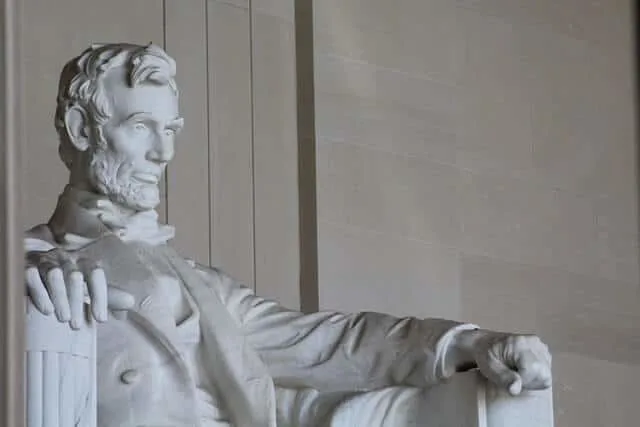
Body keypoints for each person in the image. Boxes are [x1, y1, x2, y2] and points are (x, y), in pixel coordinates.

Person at [24, 43, 551, 427]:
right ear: (79, 127)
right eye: (142, 127)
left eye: (171, 132)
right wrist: (24, 283)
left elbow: (329, 341)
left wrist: (468, 343)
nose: (163, 153)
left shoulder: (203, 288)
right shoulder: (26, 268)